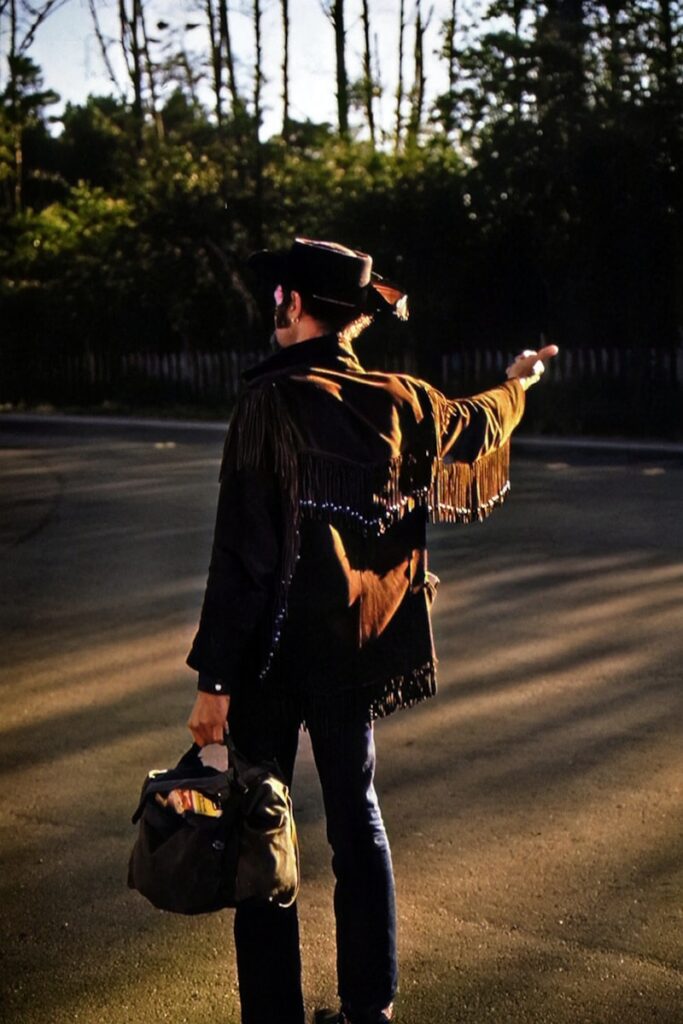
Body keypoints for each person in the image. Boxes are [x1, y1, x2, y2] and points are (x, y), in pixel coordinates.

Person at [186, 238, 558, 1024]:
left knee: (262, 831)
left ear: (291, 304)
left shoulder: (268, 403)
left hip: (268, 661)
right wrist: (520, 382)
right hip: (354, 653)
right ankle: (369, 1009)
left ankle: (274, 1014)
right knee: (356, 816)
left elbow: (240, 559)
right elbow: (476, 420)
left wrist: (213, 682)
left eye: (277, 295)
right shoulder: (404, 400)